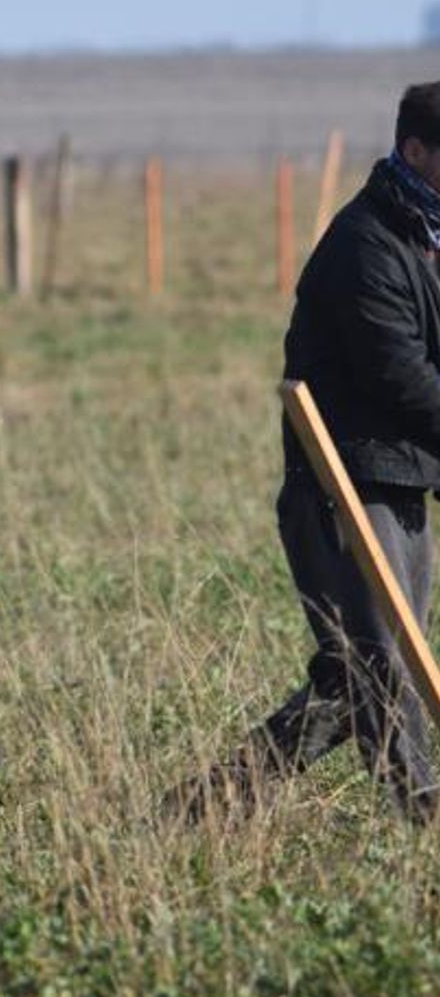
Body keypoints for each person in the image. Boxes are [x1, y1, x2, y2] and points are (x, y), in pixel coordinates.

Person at [167, 82, 440, 825]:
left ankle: (201, 808)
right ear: (416, 151)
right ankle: (421, 812)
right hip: (343, 481)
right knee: (383, 661)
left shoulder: (428, 234)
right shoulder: (366, 244)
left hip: (405, 479)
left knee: (362, 673)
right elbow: (400, 378)